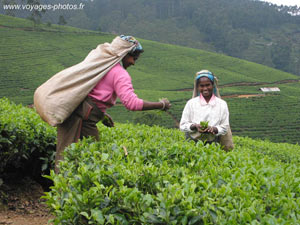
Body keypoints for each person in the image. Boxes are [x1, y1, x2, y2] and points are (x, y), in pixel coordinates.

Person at [55, 35, 171, 173]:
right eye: (133, 58)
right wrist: (161, 105)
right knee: (89, 160)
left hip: (76, 111)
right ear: (123, 54)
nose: (134, 62)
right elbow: (131, 103)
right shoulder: (119, 73)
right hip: (81, 119)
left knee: (67, 153)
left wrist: (101, 114)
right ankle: (63, 192)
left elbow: (95, 93)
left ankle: (61, 189)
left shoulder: (102, 64)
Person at [180, 70, 229, 146]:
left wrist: (213, 129)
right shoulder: (191, 103)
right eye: (202, 86)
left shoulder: (222, 104)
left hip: (213, 143)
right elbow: (183, 125)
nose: (205, 88)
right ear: (198, 87)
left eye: (208, 85)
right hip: (192, 142)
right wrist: (195, 126)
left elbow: (225, 127)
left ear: (213, 85)